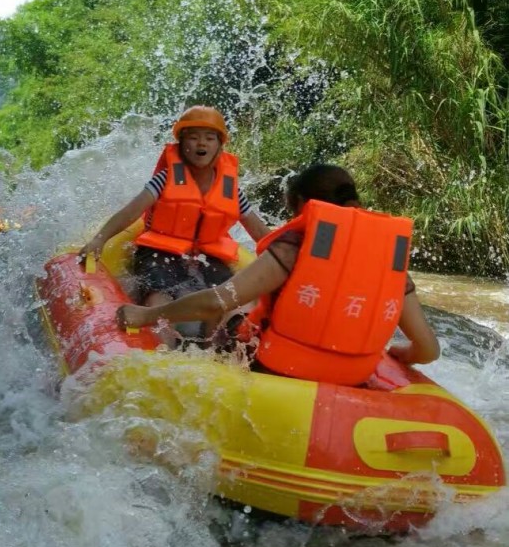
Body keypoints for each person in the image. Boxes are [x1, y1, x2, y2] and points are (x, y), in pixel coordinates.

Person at [117, 164, 439, 383]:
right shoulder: (389, 256)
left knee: (233, 313)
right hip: (351, 380)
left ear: (300, 203)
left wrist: (147, 315)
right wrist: (398, 354)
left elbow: (216, 301)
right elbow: (428, 350)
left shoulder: (296, 245)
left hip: (278, 372)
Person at [79, 106, 271, 333]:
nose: (202, 144)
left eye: (209, 138)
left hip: (207, 255)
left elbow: (259, 231)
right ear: (181, 144)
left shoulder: (231, 189)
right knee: (159, 293)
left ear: (220, 146)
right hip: (159, 251)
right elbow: (131, 211)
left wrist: (290, 257)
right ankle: (163, 348)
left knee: (230, 296)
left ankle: (221, 347)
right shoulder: (166, 177)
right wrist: (99, 239)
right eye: (194, 137)